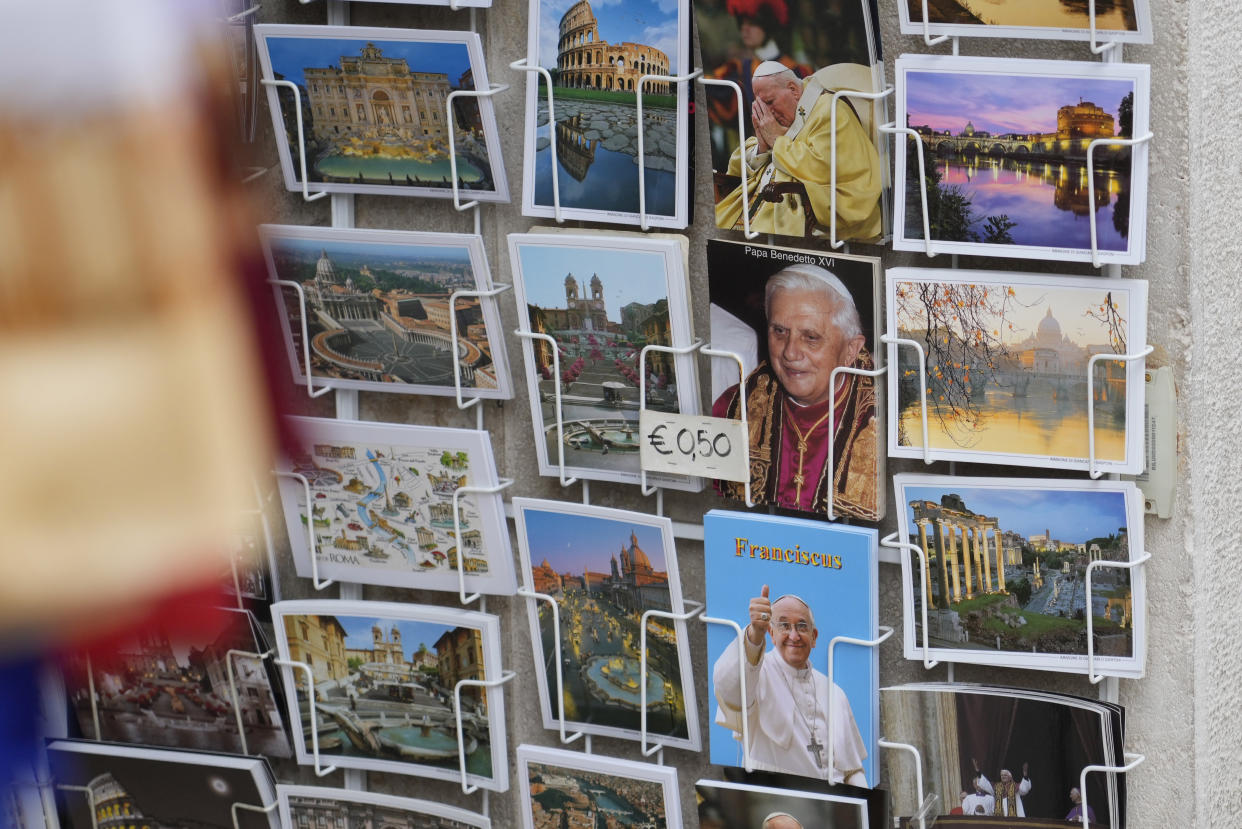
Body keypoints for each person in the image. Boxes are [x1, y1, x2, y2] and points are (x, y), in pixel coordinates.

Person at [712, 264, 878, 519]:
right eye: (779, 331)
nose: (790, 352)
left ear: (851, 350)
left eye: (811, 337)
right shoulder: (732, 407)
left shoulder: (885, 421)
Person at [712, 585, 868, 785]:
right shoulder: (757, 674)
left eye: (802, 626)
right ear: (771, 633)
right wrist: (754, 634)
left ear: (814, 637)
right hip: (776, 800)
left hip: (833, 807)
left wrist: (865, 808)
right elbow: (728, 688)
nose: (794, 636)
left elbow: (851, 770)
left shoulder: (835, 693)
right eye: (784, 626)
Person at [715, 61, 882, 240]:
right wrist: (762, 146)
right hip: (757, 207)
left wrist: (777, 141)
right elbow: (739, 167)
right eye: (761, 106)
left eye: (770, 102)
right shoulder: (782, 114)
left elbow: (823, 168)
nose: (767, 114)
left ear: (793, 90)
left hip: (796, 207)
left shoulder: (830, 111)